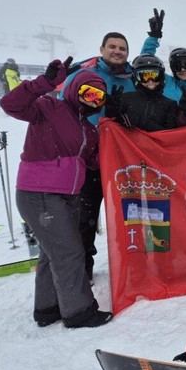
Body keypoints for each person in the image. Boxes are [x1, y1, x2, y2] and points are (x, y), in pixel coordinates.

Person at [0, 57, 113, 328]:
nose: (92, 100)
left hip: (66, 196)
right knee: (70, 253)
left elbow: (94, 161)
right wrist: (45, 82)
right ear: (74, 90)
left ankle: (48, 308)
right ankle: (79, 312)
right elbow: (11, 104)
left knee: (51, 252)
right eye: (87, 92)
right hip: (40, 193)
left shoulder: (88, 129)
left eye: (98, 97)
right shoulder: (49, 107)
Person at [62, 31, 135, 280]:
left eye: (122, 48)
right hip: (90, 160)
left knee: (130, 216)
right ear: (102, 49)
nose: (117, 51)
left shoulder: (132, 78)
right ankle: (83, 270)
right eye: (112, 47)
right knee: (85, 217)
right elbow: (64, 107)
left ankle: (133, 265)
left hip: (122, 159)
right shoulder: (84, 75)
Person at [106, 54, 178, 131]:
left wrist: (143, 123)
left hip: (155, 139)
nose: (150, 81)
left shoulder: (170, 104)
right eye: (144, 76)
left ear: (162, 77)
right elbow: (112, 126)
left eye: (155, 76)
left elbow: (170, 133)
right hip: (128, 138)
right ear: (136, 78)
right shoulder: (125, 99)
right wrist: (112, 110)